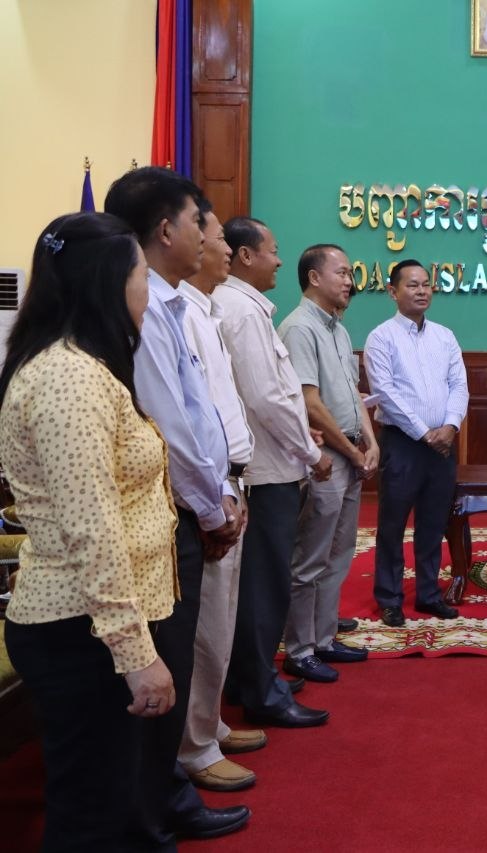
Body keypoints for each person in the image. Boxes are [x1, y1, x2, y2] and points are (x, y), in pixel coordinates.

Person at [0, 213, 183, 849]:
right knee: (90, 817)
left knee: (111, 802)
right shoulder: (68, 378)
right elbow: (92, 530)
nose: (148, 293)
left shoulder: (85, 367)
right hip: (80, 630)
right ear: (109, 282)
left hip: (96, 625)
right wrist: (136, 655)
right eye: (142, 276)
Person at [104, 166, 250, 841]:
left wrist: (221, 492)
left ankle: (167, 796)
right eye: (198, 222)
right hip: (171, 518)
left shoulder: (172, 305)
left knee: (185, 655)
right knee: (169, 663)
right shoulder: (145, 311)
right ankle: (158, 806)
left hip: (196, 505)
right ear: (166, 230)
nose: (205, 235)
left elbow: (202, 416)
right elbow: (171, 428)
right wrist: (213, 507)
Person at [214, 216, 331, 729]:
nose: (280, 260)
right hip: (267, 471)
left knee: (257, 585)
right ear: (246, 256)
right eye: (273, 249)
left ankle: (250, 676)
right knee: (265, 588)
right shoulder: (242, 311)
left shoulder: (241, 306)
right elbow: (267, 398)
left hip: (268, 464)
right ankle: (260, 690)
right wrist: (309, 450)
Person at [175, 200, 259, 792]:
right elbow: (184, 421)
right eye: (215, 234)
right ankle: (194, 745)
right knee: (204, 622)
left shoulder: (206, 310)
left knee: (221, 618)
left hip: (228, 480)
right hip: (208, 490)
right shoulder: (177, 313)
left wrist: (233, 482)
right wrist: (214, 499)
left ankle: (209, 723)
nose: (226, 247)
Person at [279, 243, 378, 680]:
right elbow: (310, 403)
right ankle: (299, 650)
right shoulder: (299, 328)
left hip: (351, 453)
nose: (350, 281)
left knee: (339, 553)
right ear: (314, 278)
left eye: (350, 273)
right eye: (342, 272)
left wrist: (371, 442)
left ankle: (324, 638)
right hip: (326, 458)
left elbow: (353, 396)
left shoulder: (337, 329)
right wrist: (353, 452)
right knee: (310, 558)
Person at [364, 259, 469, 627]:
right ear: (393, 292)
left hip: (444, 443)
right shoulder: (381, 337)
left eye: (426, 284)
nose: (422, 291)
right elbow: (385, 393)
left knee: (433, 523)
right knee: (392, 525)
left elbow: (459, 385)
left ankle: (428, 594)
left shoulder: (445, 336)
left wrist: (451, 425)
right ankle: (390, 598)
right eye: (412, 285)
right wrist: (425, 433)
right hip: (403, 443)